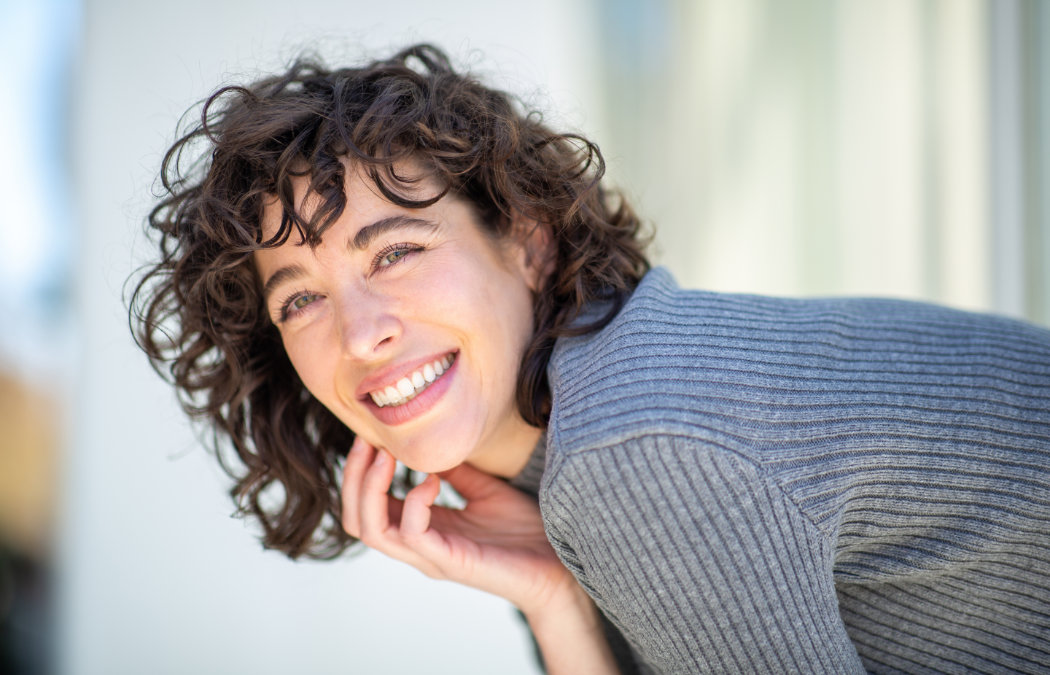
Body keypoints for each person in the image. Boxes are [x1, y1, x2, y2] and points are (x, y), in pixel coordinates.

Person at [131, 44, 1050, 674]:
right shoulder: (577, 427)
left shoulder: (631, 442)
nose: (361, 328)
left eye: (396, 250)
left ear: (526, 240)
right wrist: (554, 599)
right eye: (300, 297)